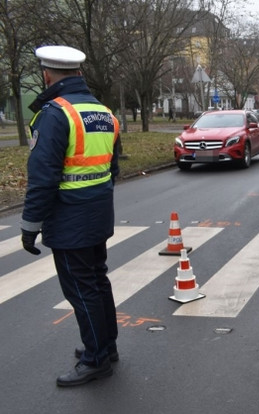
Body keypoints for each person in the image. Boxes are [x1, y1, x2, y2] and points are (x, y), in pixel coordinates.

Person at [21, 45, 121, 387]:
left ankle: (95, 360)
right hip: (98, 213)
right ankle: (106, 347)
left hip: (69, 219)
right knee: (97, 279)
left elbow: (44, 176)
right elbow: (113, 167)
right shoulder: (104, 112)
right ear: (78, 73)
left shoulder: (55, 114)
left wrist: (30, 225)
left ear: (48, 75)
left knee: (81, 289)